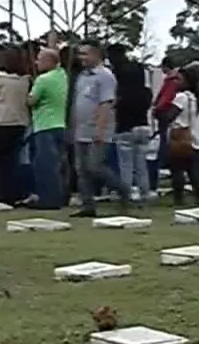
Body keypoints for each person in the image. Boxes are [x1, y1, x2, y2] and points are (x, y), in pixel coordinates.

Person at [70, 42, 129, 215]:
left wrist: (101, 130)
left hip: (97, 129)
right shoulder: (82, 77)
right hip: (81, 129)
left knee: (94, 166)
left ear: (96, 55)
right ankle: (88, 206)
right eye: (80, 54)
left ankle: (122, 189)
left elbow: (106, 103)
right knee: (81, 169)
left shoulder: (105, 76)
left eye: (85, 54)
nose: (81, 58)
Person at [0, 48, 30, 202]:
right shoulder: (24, 80)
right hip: (20, 122)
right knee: (13, 159)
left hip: (1, 122)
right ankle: (13, 193)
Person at [106, 46, 154, 204]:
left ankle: (125, 193)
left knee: (125, 165)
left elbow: (115, 108)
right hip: (144, 127)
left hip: (125, 128)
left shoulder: (121, 94)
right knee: (141, 165)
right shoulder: (146, 92)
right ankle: (145, 193)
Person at [162, 63, 199, 205]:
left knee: (177, 169)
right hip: (194, 138)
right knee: (191, 171)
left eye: (180, 80)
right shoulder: (195, 97)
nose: (177, 82)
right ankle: (198, 196)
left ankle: (179, 198)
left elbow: (170, 115)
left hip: (180, 136)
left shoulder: (181, 97)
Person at [28, 47, 68, 209]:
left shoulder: (43, 80)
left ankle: (49, 200)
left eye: (40, 59)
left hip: (44, 126)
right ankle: (60, 196)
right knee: (57, 164)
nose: (37, 62)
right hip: (59, 124)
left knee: (45, 165)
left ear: (49, 62)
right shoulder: (62, 76)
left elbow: (31, 101)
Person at [149, 56, 182, 195]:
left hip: (165, 115)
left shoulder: (172, 81)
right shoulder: (174, 80)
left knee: (163, 145)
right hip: (164, 114)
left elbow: (166, 97)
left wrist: (157, 108)